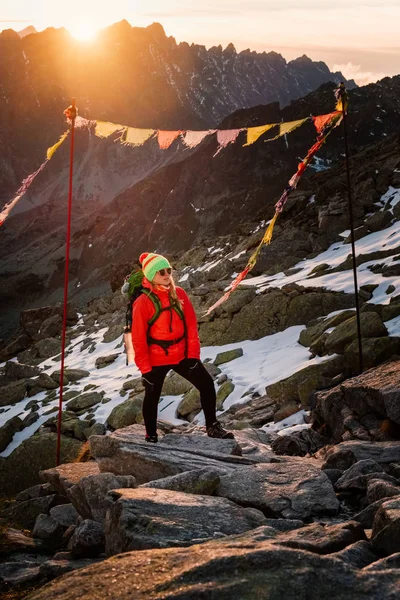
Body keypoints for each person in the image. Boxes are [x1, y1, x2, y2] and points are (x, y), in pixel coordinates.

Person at [131, 252, 234, 443]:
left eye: (168, 270)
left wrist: (193, 355)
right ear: (150, 275)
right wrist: (145, 368)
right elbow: (138, 339)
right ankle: (151, 436)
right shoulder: (143, 302)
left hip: (182, 354)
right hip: (156, 359)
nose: (166, 274)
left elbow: (191, 326)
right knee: (152, 397)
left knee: (206, 384)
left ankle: (213, 427)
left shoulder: (179, 293)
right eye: (160, 271)